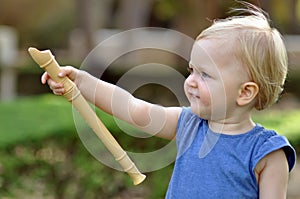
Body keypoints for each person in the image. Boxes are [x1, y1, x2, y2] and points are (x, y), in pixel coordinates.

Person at [42, 3, 296, 199]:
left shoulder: (268, 153)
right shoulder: (188, 124)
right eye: (191, 70)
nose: (191, 81)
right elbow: (134, 109)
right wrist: (83, 82)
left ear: (245, 92)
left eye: (205, 75)